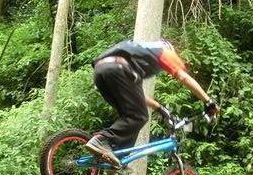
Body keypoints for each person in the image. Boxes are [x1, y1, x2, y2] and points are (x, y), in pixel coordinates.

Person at [85, 38, 219, 167]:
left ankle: (113, 156)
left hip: (100, 72)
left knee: (131, 116)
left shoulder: (137, 57)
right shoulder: (163, 50)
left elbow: (138, 96)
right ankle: (101, 141)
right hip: (117, 69)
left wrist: (159, 108)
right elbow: (183, 77)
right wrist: (208, 101)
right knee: (139, 116)